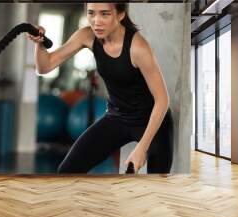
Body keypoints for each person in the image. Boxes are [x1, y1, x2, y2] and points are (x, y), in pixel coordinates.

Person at [27, 3, 173, 174]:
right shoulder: (86, 36)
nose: (96, 21)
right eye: (91, 13)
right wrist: (40, 44)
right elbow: (44, 67)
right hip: (117, 118)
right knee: (67, 171)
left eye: (104, 14)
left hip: (151, 121)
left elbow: (162, 100)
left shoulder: (138, 47)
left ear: (120, 15)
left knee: (158, 184)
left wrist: (142, 147)